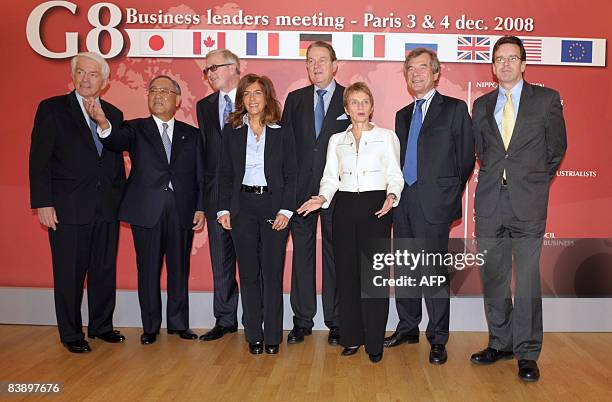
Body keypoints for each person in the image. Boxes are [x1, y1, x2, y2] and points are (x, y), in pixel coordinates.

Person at [470, 36, 567, 382]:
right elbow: (481, 152)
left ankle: (527, 352)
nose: (505, 64)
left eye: (512, 58)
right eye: (499, 59)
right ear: (493, 66)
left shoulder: (546, 100)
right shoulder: (481, 105)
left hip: (528, 203)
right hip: (491, 202)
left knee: (525, 280)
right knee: (493, 277)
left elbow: (556, 149)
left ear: (524, 64)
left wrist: (532, 179)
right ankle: (500, 342)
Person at [86, 75, 205, 345]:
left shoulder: (192, 134)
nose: (158, 95)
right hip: (146, 211)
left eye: (165, 91)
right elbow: (115, 140)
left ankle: (178, 323)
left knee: (179, 270)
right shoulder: (135, 129)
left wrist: (200, 208)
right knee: (148, 270)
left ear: (177, 100)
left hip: (182, 211)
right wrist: (104, 124)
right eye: (153, 91)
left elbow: (201, 176)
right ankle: (150, 326)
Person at [297, 82, 404, 363]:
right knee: (346, 276)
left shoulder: (386, 136)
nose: (359, 107)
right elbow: (330, 178)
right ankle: (351, 338)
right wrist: (321, 198)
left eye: (364, 101)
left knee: (374, 279)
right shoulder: (336, 140)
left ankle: (374, 343)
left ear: (372, 106)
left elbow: (395, 174)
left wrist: (392, 195)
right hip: (344, 207)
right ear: (346, 109)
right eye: (353, 102)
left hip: (376, 209)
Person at [29, 52, 126, 353]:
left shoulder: (113, 114)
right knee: (69, 274)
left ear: (105, 82)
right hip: (67, 208)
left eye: (93, 74)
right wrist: (43, 203)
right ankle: (71, 334)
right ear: (73, 76)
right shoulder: (52, 109)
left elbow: (115, 164)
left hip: (106, 208)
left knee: (103, 270)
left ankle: (101, 326)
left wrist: (120, 203)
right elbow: (39, 161)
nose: (85, 79)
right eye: (80, 72)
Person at [384, 48, 475, 365]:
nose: (416, 73)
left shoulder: (454, 109)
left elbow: (465, 159)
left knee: (434, 274)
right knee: (406, 269)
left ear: (436, 73)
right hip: (404, 202)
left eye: (423, 68)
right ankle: (408, 327)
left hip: (435, 204)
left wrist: (446, 195)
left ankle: (438, 339)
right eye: (410, 68)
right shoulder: (402, 115)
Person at [217, 74, 297, 355]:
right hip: (242, 208)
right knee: (248, 275)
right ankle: (254, 335)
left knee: (272, 275)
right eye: (247, 93)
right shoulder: (232, 130)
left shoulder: (282, 130)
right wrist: (224, 208)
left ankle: (273, 336)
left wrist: (286, 210)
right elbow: (224, 173)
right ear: (241, 99)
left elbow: (291, 175)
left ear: (267, 98)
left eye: (258, 93)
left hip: (274, 207)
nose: (252, 98)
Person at [281, 41, 350, 345]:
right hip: (300, 191)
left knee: (335, 253)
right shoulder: (294, 99)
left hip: (337, 191)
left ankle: (336, 320)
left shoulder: (350, 98)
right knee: (302, 256)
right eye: (310, 61)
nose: (316, 66)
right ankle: (302, 320)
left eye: (323, 60)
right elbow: (285, 147)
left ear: (336, 65)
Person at [196, 49, 241, 341]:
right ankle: (224, 319)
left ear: (234, 68)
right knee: (220, 261)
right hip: (216, 197)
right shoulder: (204, 106)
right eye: (207, 69)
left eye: (215, 67)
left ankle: (257, 319)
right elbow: (204, 157)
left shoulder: (255, 97)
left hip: (250, 194)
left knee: (253, 261)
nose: (210, 73)